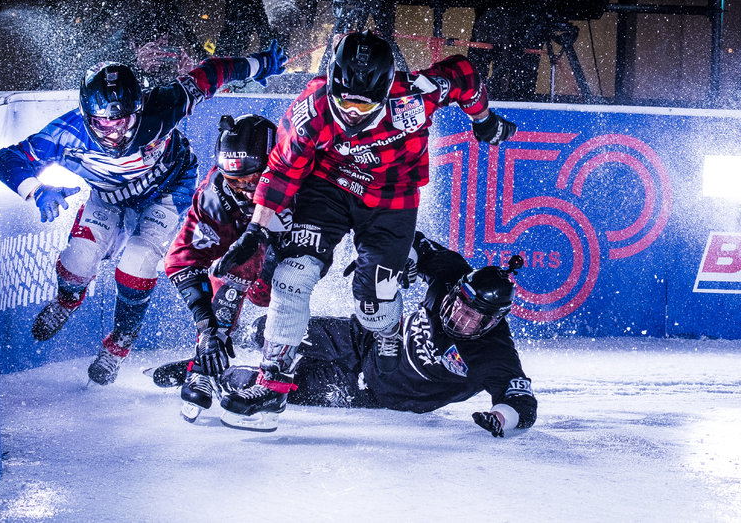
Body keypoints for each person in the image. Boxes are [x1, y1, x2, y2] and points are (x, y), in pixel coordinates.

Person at [209, 30, 517, 425]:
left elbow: (464, 74)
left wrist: (483, 119)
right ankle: (273, 383)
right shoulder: (312, 105)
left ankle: (385, 332)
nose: (352, 114)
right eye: (345, 101)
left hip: (391, 199)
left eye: (364, 103)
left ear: (388, 89)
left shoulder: (417, 97)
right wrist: (256, 231)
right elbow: (282, 171)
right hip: (329, 187)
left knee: (372, 304)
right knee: (292, 272)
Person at [0, 43, 287, 386]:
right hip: (107, 197)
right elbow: (8, 158)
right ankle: (67, 298)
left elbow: (210, 75)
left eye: (124, 121)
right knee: (78, 260)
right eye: (103, 125)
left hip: (166, 191)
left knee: (138, 260)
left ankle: (118, 345)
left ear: (141, 106)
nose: (115, 134)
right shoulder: (66, 133)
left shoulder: (163, 105)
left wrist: (259, 64)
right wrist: (36, 189)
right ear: (86, 117)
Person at [150, 231, 537, 435]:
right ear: (457, 288)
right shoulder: (454, 271)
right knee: (268, 329)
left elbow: (522, 402)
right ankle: (209, 359)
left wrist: (501, 419)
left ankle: (224, 375)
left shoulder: (495, 352)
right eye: (461, 305)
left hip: (375, 391)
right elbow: (412, 241)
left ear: (495, 322)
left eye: (475, 319)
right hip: (363, 338)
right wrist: (401, 264)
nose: (462, 319)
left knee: (283, 386)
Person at [163, 113, 292, 422]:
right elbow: (183, 261)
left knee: (283, 283)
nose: (245, 189)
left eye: (254, 179)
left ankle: (274, 362)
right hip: (246, 261)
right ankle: (206, 358)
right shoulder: (213, 195)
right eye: (235, 180)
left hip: (289, 253)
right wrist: (207, 329)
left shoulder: (301, 176)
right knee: (232, 266)